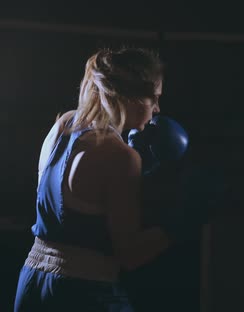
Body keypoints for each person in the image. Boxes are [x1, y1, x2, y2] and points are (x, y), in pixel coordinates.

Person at [14, 47, 172, 311]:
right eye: (153, 98)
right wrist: (179, 222)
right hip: (83, 291)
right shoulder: (121, 156)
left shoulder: (64, 125)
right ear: (128, 96)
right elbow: (130, 255)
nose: (157, 109)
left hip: (32, 283)